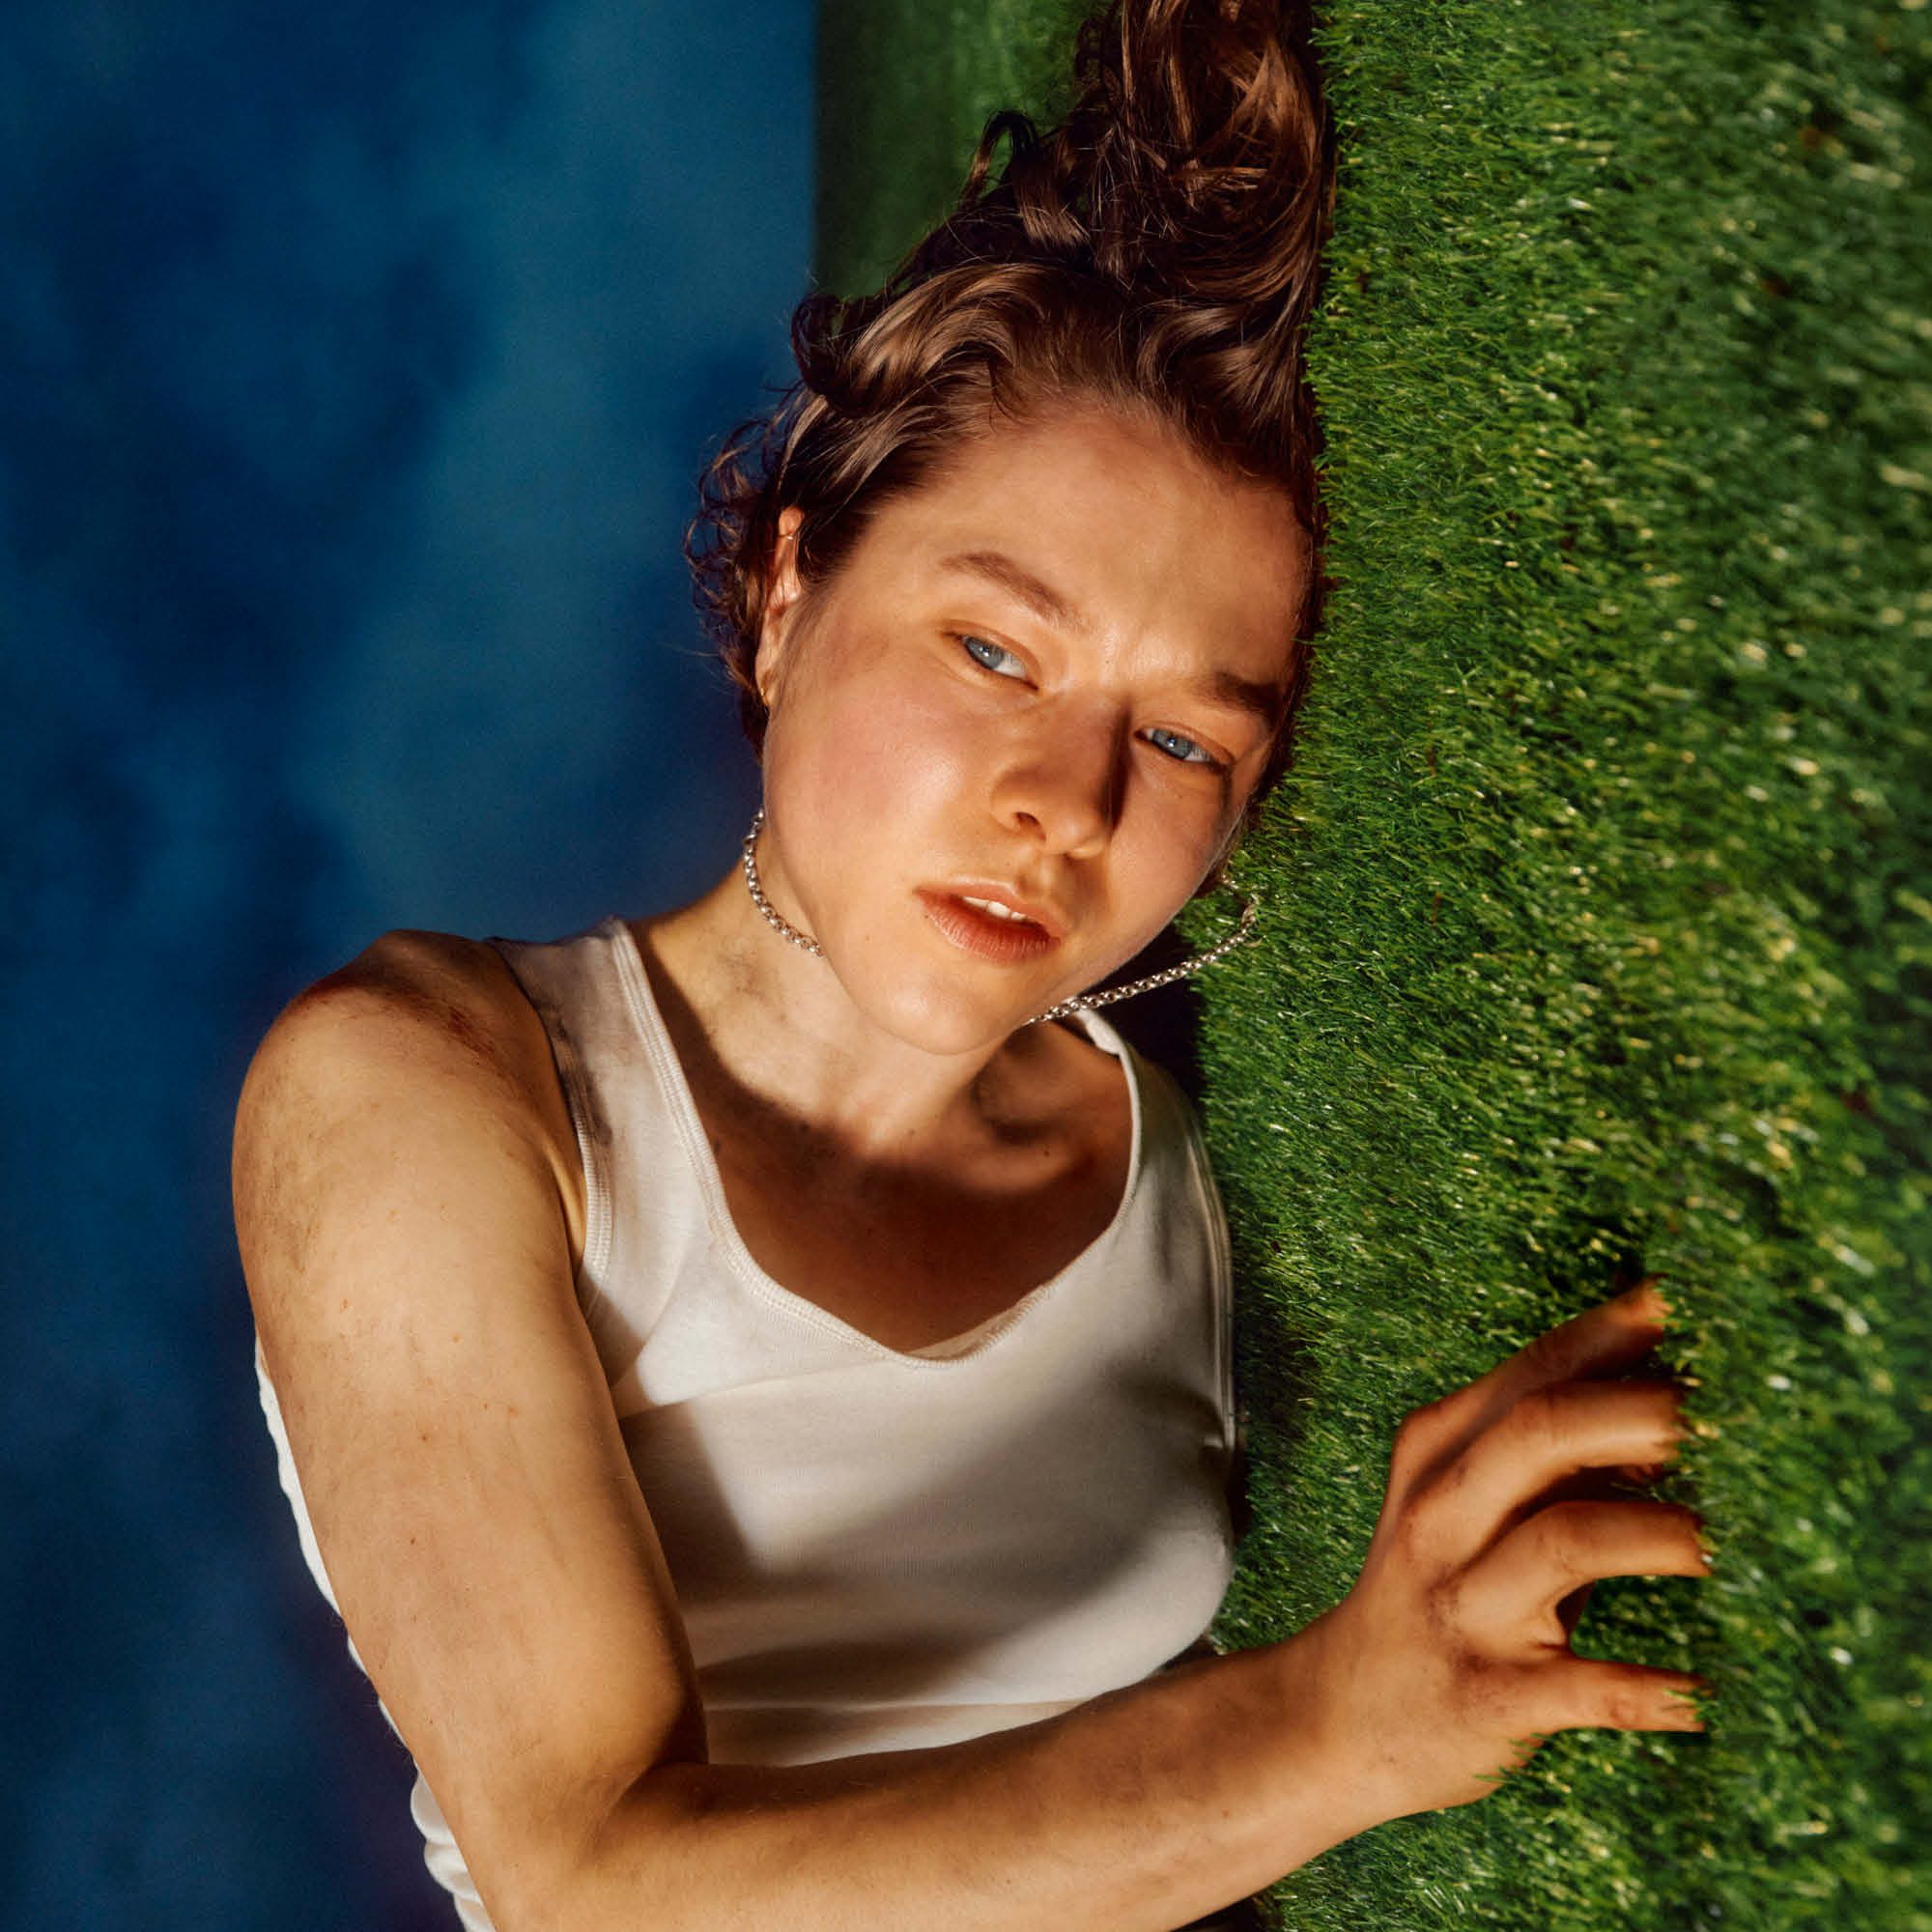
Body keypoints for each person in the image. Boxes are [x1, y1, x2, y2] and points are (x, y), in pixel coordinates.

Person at [232, 3, 1713, 1928]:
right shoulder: (427, 1089)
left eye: (1187, 739)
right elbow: (594, 1879)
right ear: (787, 597)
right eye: (995, 653)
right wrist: (1341, 1724)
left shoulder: (1168, 1173)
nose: (1070, 800)